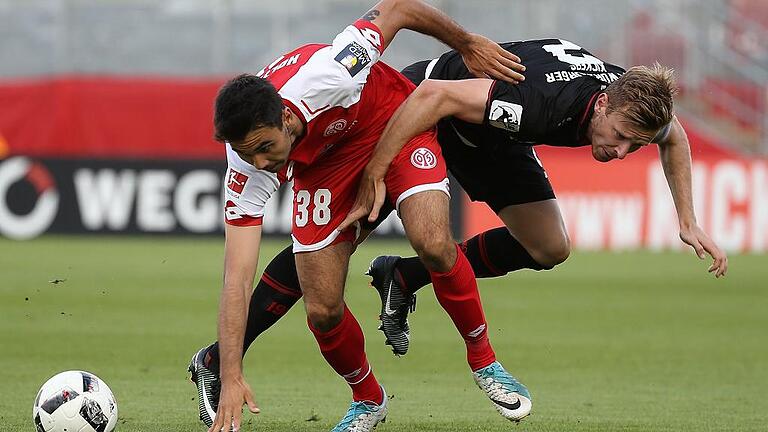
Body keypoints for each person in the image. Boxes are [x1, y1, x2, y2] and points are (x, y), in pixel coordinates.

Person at [188, 1, 530, 432]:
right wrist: (232, 372)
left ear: (286, 117)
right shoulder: (246, 168)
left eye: (263, 147)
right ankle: (368, 399)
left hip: (394, 124)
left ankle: (485, 363)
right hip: (327, 169)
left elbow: (396, 8)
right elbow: (236, 278)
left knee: (432, 242)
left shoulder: (332, 71)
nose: (257, 162)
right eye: (244, 153)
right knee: (323, 309)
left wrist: (465, 43)